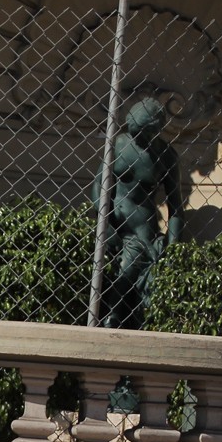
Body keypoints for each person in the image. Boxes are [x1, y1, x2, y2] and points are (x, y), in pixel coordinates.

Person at [95, 97, 184, 329]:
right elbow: (98, 188)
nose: (136, 139)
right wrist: (106, 224)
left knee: (127, 271)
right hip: (111, 225)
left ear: (155, 130)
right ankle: (109, 320)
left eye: (142, 134)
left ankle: (110, 323)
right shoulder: (116, 146)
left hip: (141, 231)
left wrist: (172, 249)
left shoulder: (166, 156)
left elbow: (176, 208)